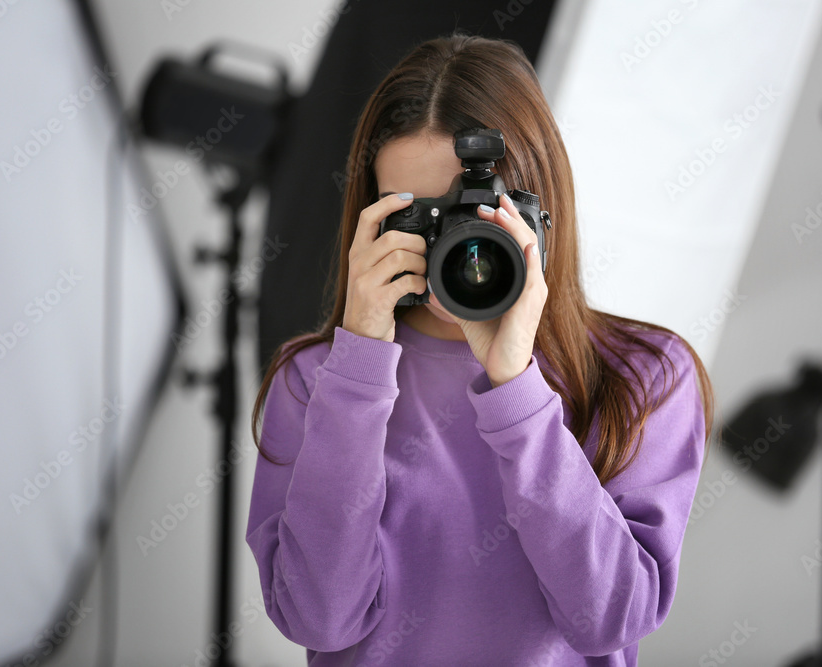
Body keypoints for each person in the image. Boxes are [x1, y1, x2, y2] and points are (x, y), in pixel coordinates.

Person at [245, 31, 716, 666]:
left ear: (538, 209)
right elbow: (320, 620)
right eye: (418, 219)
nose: (452, 246)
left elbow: (611, 618)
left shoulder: (643, 374)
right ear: (371, 217)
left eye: (469, 213)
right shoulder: (312, 381)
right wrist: (355, 369)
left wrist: (516, 385)